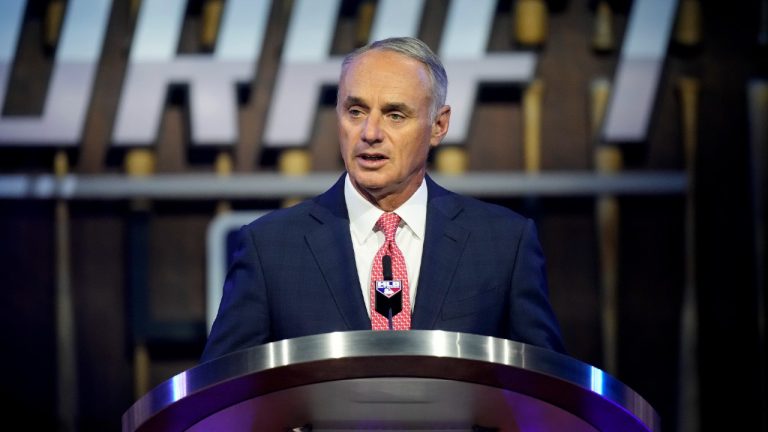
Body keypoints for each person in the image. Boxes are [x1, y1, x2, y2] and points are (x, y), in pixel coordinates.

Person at [201, 37, 565, 362]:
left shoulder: (503, 243)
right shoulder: (270, 247)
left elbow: (546, 394)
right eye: (355, 111)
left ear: (438, 126)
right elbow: (221, 398)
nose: (370, 133)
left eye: (395, 115)